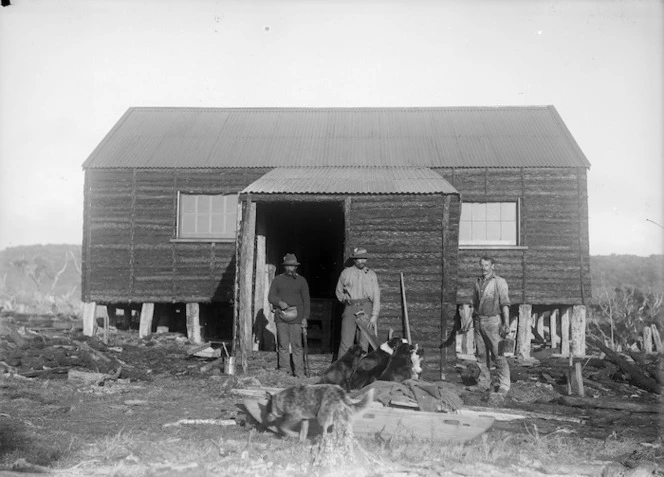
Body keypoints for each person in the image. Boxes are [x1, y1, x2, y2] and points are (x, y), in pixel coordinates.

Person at [470, 255, 511, 396]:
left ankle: (504, 385)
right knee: (481, 354)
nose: (483, 268)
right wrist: (472, 319)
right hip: (478, 321)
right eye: (481, 265)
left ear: (492, 266)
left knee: (497, 354)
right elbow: (475, 303)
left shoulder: (499, 282)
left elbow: (505, 303)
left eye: (486, 265)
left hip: (493, 321)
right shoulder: (477, 282)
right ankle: (483, 383)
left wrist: (506, 323)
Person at [268, 253, 310, 377]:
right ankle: (284, 370)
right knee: (283, 345)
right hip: (281, 316)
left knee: (297, 345)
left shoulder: (301, 281)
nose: (291, 268)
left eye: (293, 266)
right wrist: (279, 302)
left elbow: (306, 300)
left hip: (297, 317)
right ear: (285, 266)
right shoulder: (277, 280)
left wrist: (305, 318)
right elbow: (271, 297)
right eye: (289, 266)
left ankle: (299, 371)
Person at [335, 247, 381, 358]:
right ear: (354, 260)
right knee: (346, 342)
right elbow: (338, 291)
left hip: (366, 308)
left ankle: (360, 372)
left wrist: (374, 316)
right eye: (359, 259)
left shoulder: (371, 275)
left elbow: (376, 296)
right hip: (350, 308)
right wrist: (344, 299)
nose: (362, 261)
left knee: (363, 343)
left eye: (364, 259)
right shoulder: (346, 273)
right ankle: (343, 372)